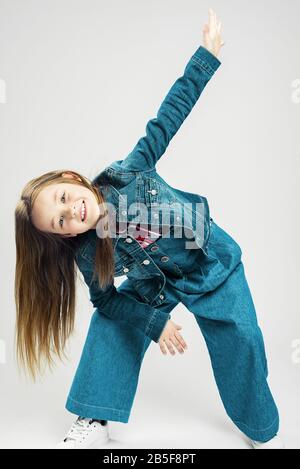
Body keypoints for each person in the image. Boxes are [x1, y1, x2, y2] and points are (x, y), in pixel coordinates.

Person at [14, 9, 284, 450]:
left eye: (64, 199)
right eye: (60, 222)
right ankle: (96, 418)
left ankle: (259, 428)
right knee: (110, 322)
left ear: (72, 179)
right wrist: (153, 322)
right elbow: (107, 298)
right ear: (63, 236)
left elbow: (167, 118)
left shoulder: (130, 172)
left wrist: (206, 58)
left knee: (244, 336)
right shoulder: (86, 252)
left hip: (209, 263)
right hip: (155, 284)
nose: (70, 212)